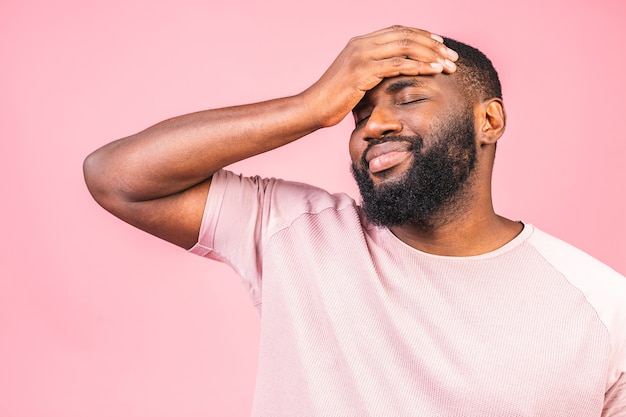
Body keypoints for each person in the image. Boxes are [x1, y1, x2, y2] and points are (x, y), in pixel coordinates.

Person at [83, 26, 625, 416]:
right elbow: (117, 177)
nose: (373, 126)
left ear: (489, 120)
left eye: (407, 98)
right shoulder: (294, 231)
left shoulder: (604, 309)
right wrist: (311, 106)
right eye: (357, 115)